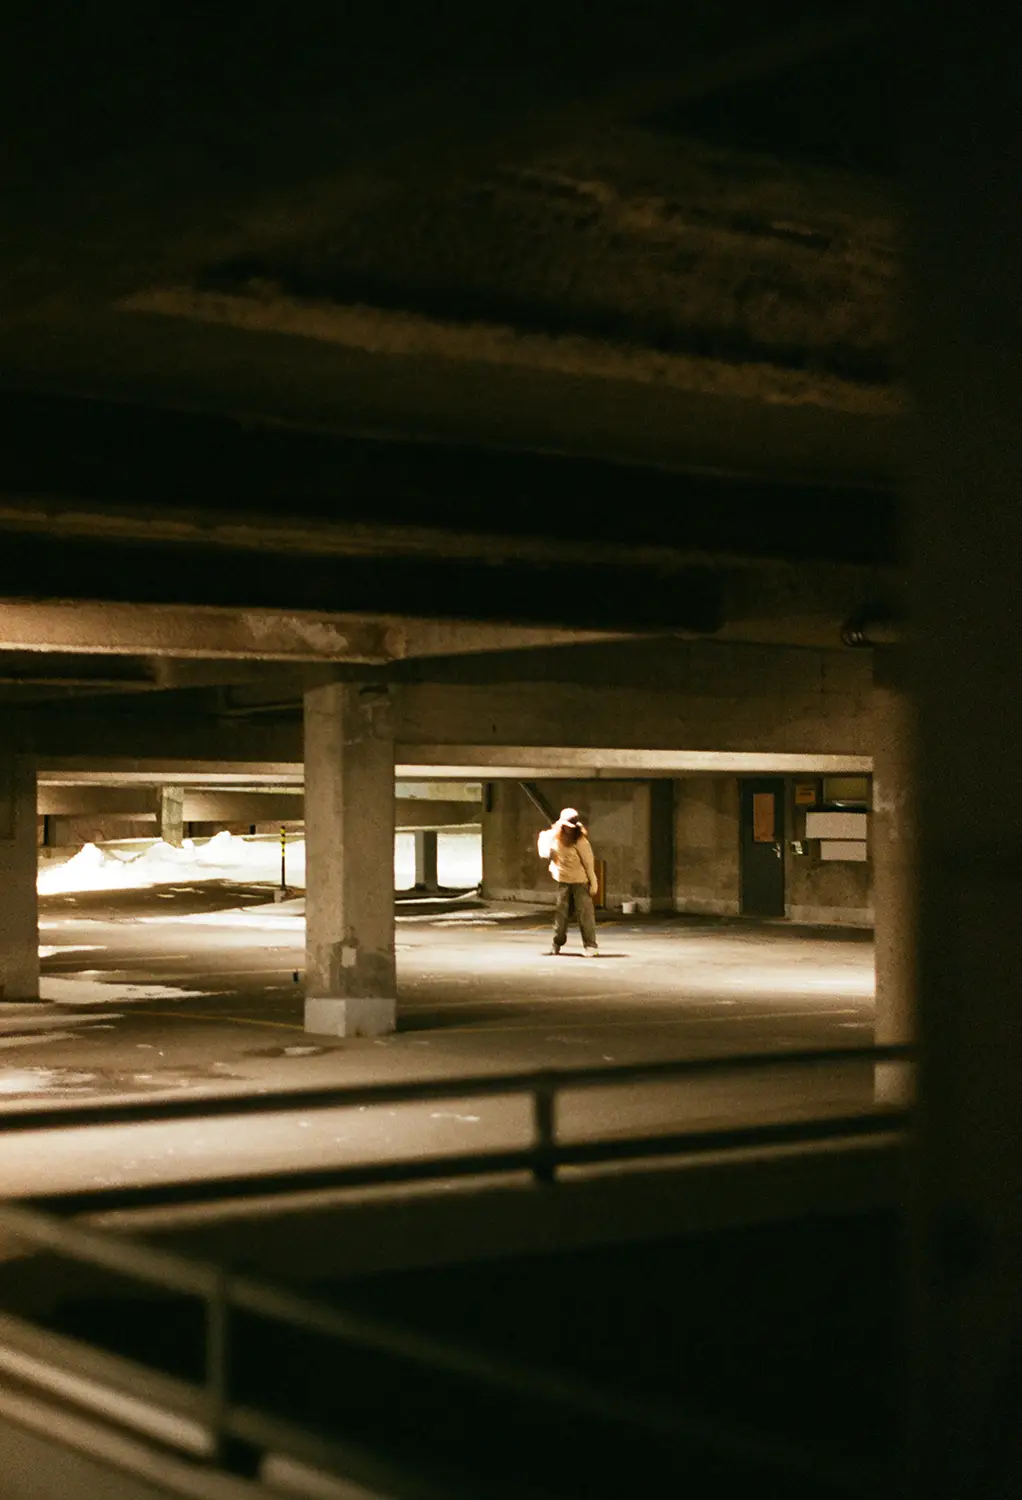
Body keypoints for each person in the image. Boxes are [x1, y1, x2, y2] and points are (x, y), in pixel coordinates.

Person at [537, 807, 599, 956]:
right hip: (563, 881)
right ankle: (556, 944)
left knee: (585, 915)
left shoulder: (581, 841)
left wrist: (593, 883)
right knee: (561, 916)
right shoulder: (554, 837)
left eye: (571, 827)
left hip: (580, 882)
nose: (568, 830)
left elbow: (589, 864)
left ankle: (591, 946)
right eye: (566, 826)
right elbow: (544, 844)